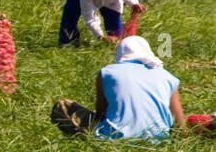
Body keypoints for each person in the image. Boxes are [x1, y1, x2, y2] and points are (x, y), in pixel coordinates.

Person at [50, 36, 185, 141]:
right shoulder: (168, 77)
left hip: (115, 137)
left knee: (63, 106)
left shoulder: (108, 72)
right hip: (158, 139)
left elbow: (101, 112)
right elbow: (180, 124)